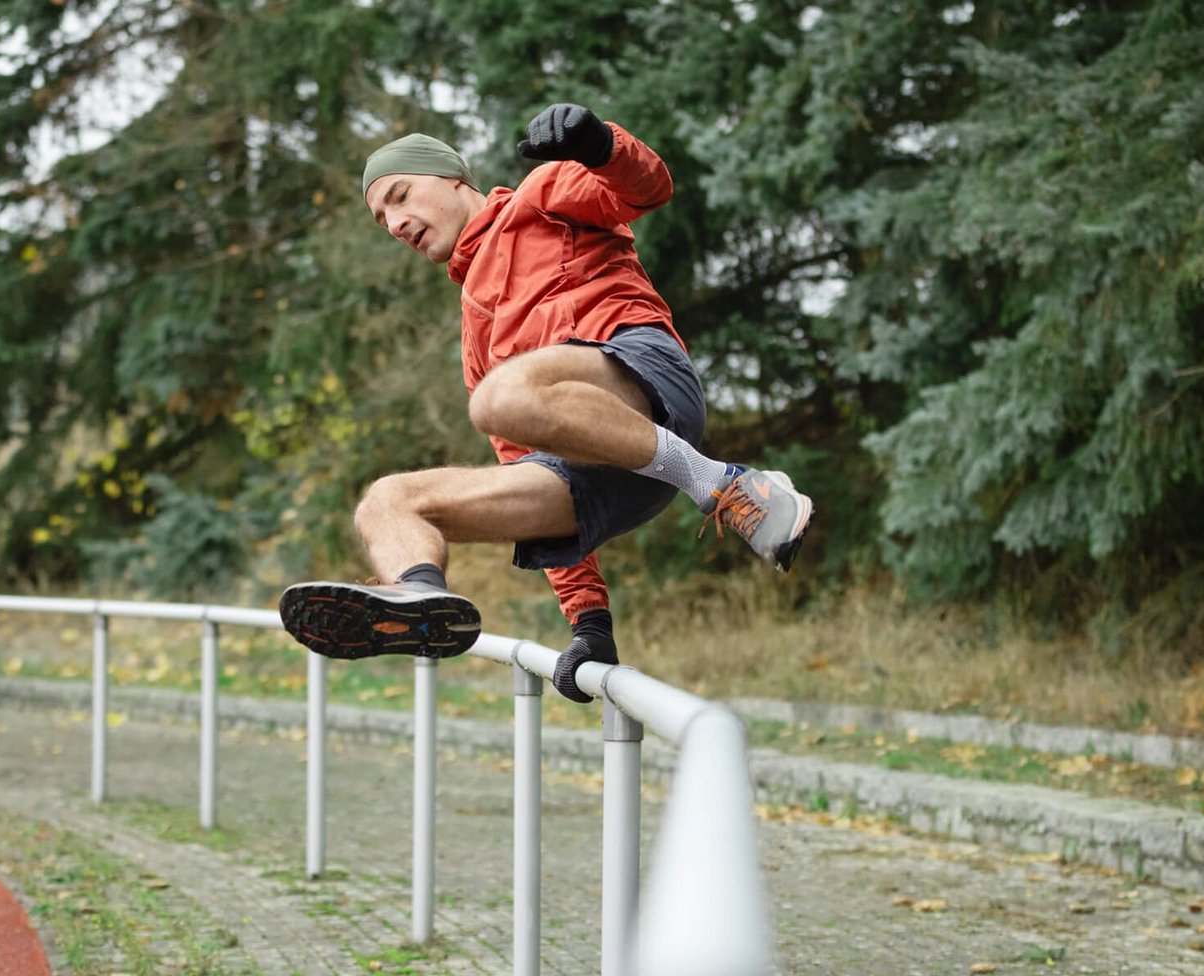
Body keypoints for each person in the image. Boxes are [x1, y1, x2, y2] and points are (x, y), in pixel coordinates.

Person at [279, 102, 812, 703]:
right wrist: (590, 622)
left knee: (502, 396)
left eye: (400, 196)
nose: (396, 223)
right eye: (383, 220)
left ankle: (721, 482)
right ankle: (420, 600)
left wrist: (599, 143)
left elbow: (647, 188)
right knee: (387, 502)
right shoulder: (475, 337)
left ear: (454, 179)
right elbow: (521, 457)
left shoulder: (541, 196)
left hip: (644, 383)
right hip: (603, 475)